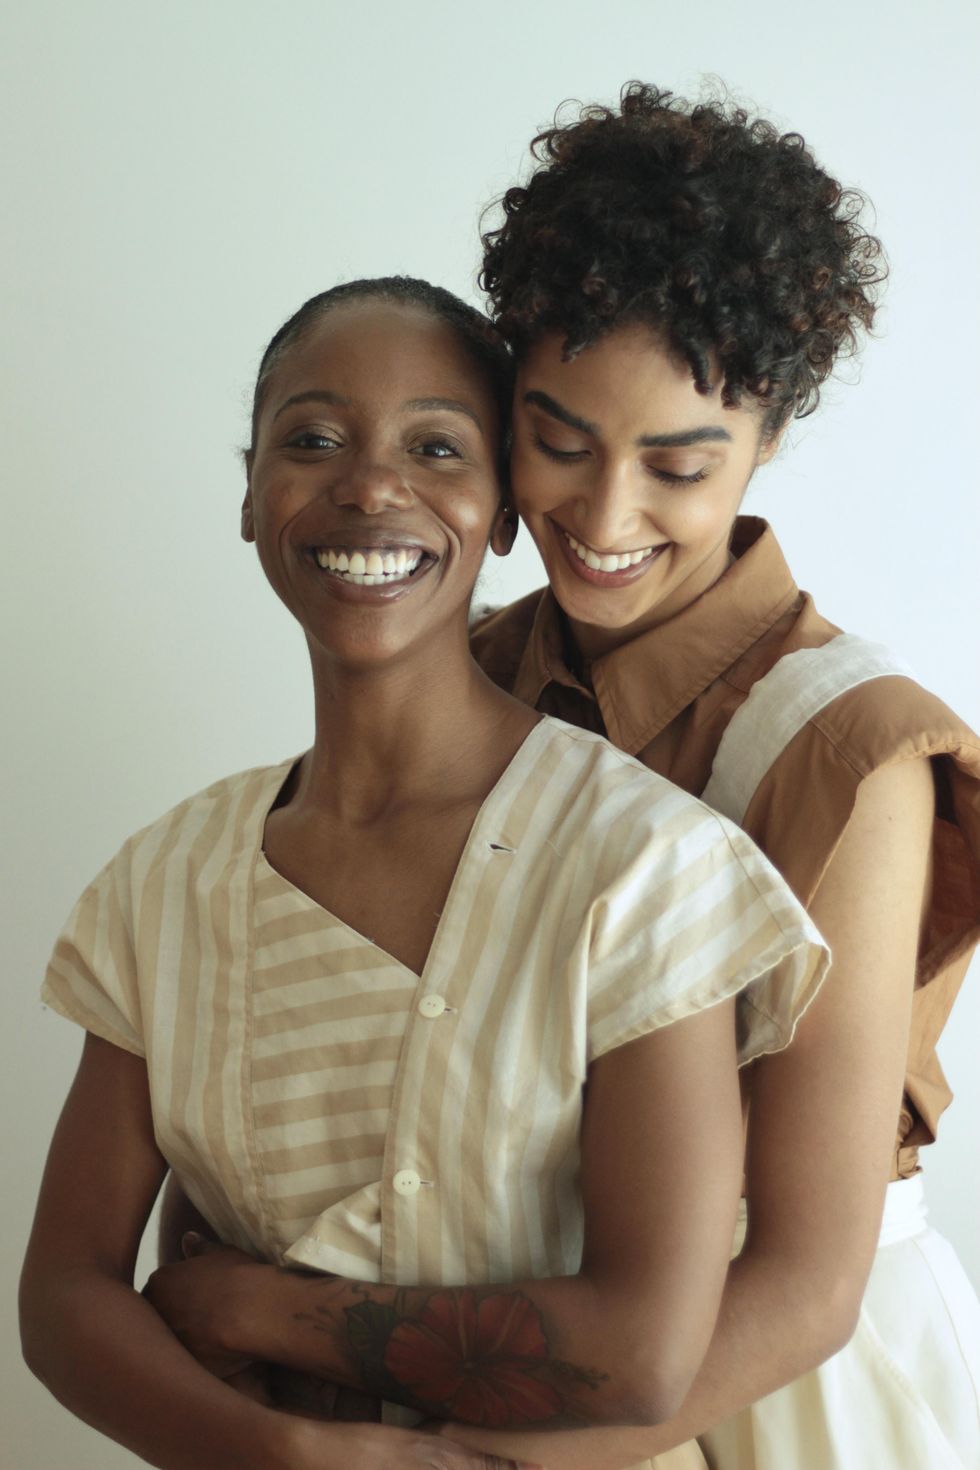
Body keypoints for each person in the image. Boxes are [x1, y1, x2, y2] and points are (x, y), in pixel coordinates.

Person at [21, 277, 829, 1470]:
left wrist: (259, 1311)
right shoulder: (164, 887)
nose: (369, 485)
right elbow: (63, 1298)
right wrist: (292, 1456)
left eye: (435, 445)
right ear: (249, 494)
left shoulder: (640, 867)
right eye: (312, 439)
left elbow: (645, 1348)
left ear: (503, 509)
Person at [420, 84, 980, 1470]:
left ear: (771, 436)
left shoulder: (848, 747)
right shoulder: (464, 674)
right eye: (558, 440)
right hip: (526, 1345)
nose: (604, 518)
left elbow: (802, 1283)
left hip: (788, 1394)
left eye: (679, 465)